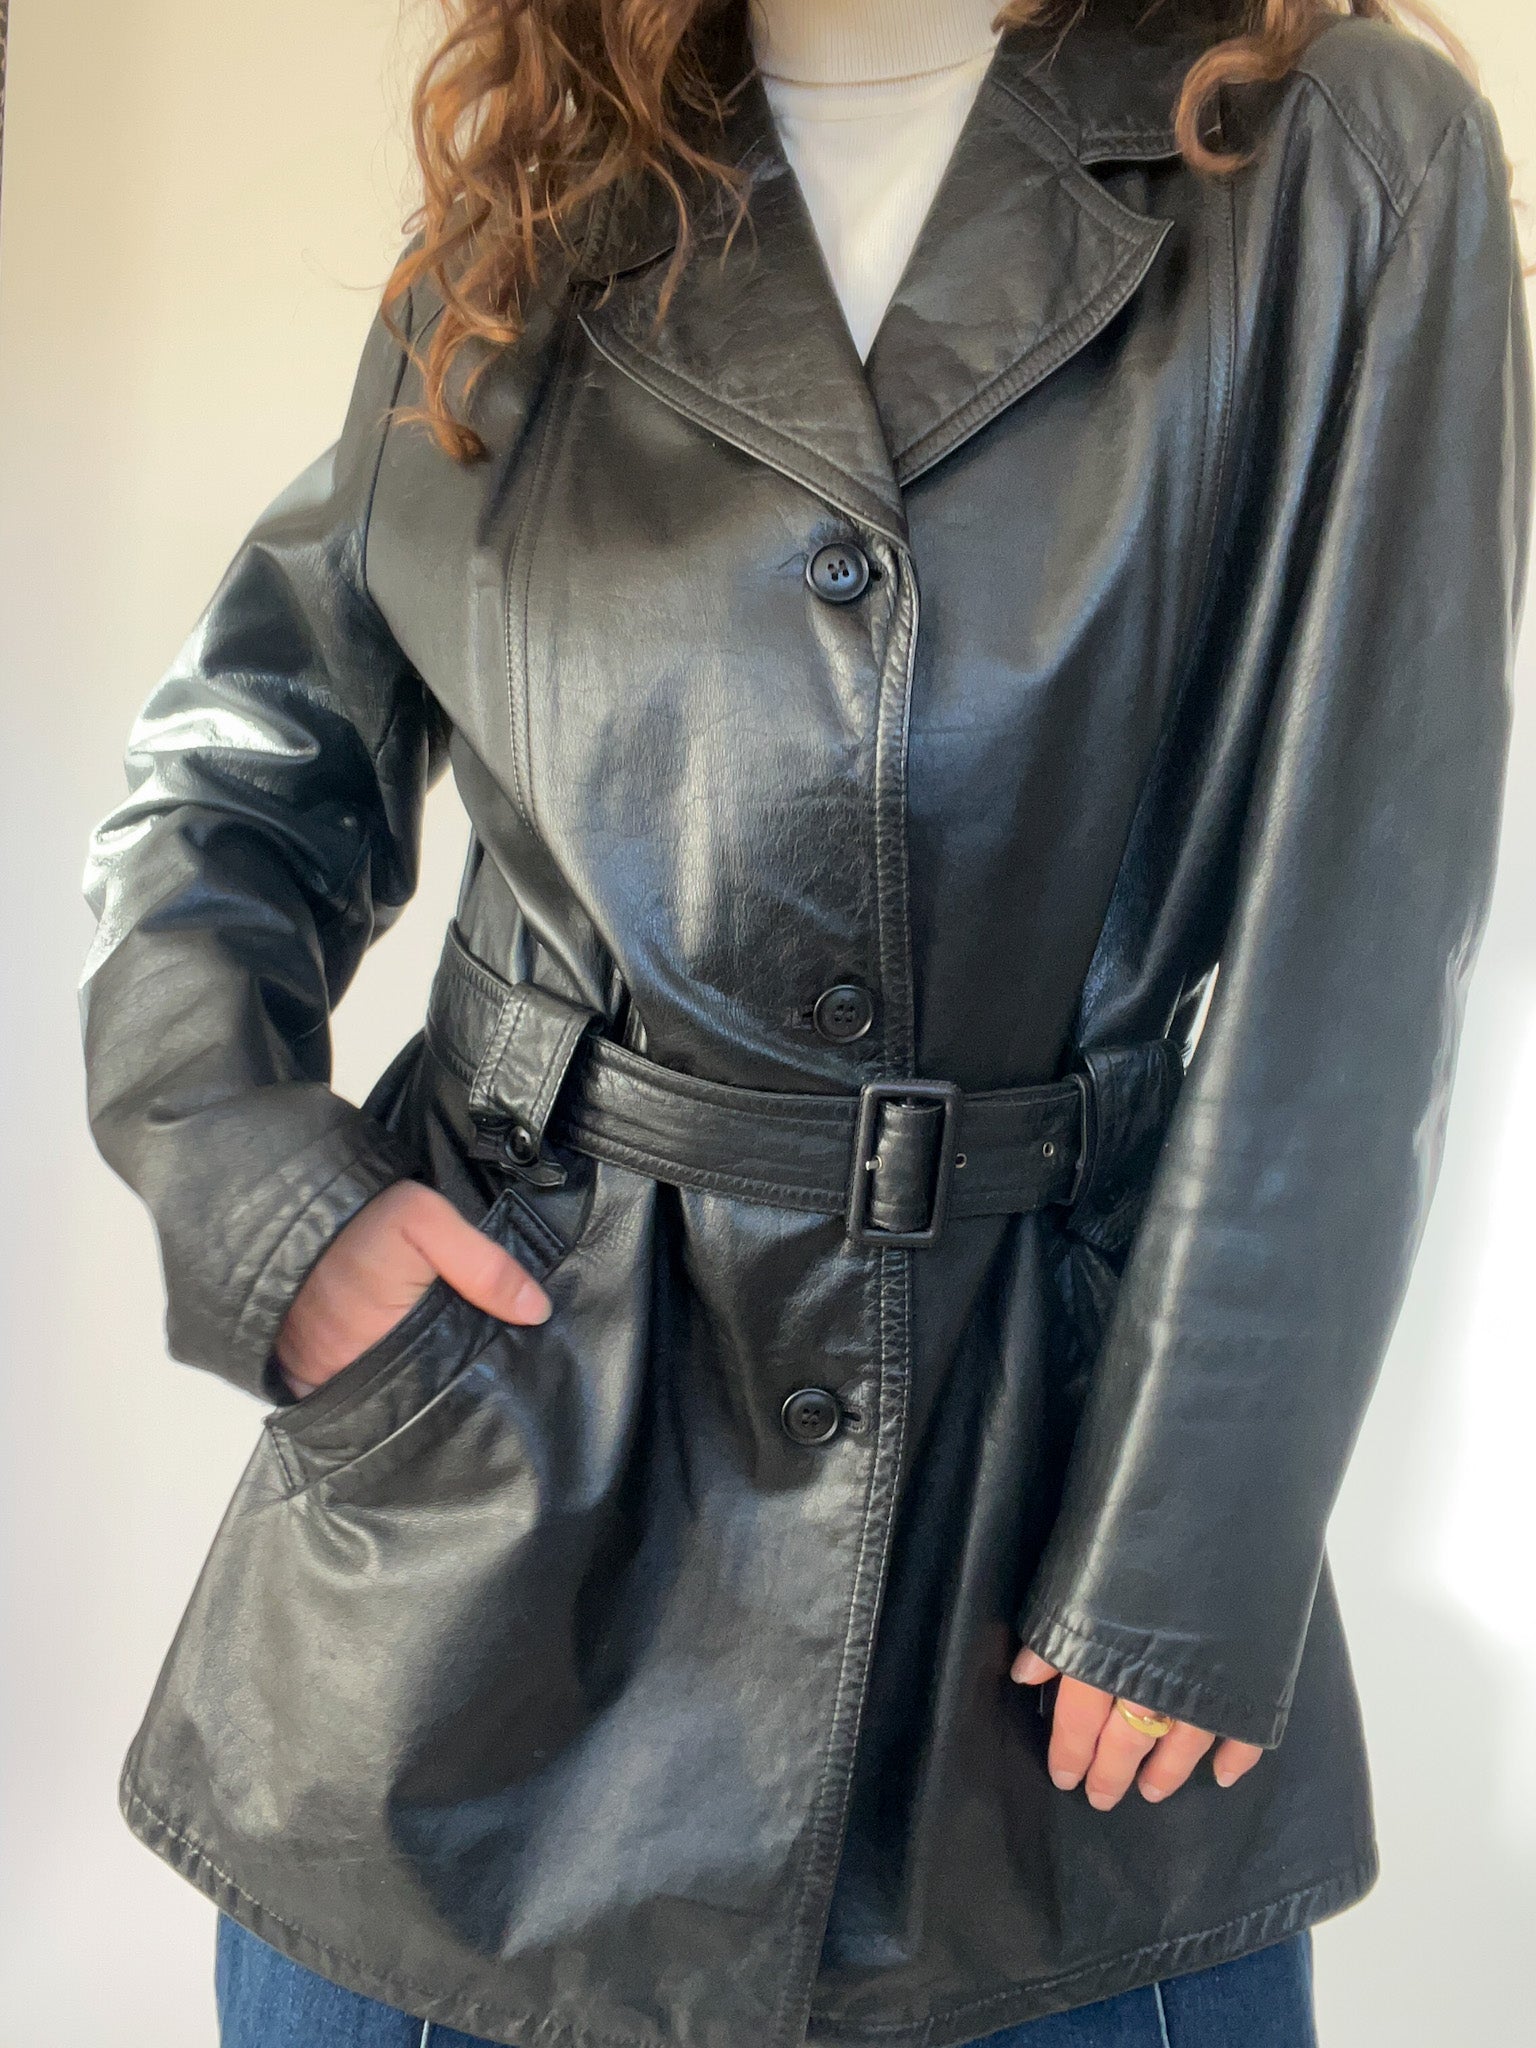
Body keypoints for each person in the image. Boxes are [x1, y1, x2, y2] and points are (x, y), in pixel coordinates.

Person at [78, 0, 1532, 2043]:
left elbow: (1361, 914)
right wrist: (265, 1203)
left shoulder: (1331, 156)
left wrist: (1195, 1542)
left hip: (1027, 1591)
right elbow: (239, 769)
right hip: (483, 1540)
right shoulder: (551, 193)